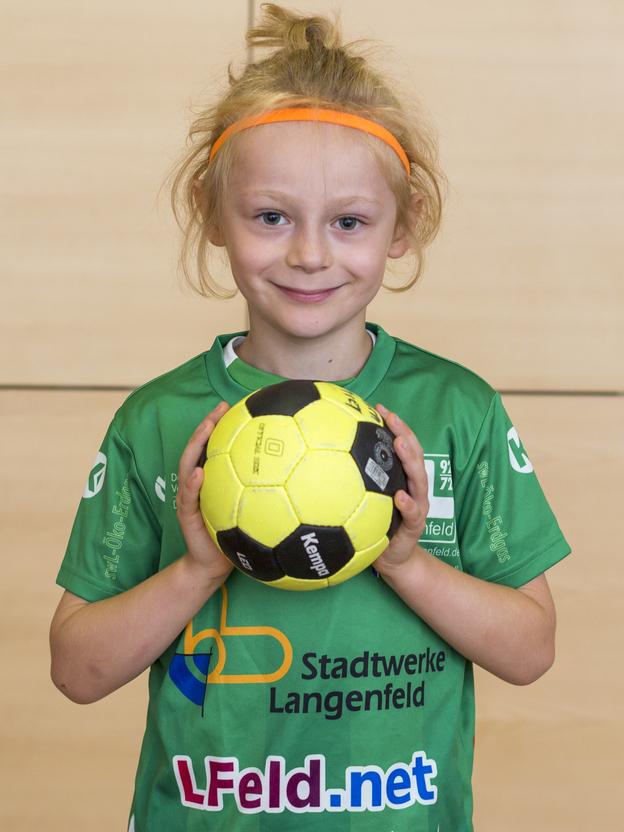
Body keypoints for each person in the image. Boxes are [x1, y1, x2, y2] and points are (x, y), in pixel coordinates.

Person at [49, 4, 572, 830]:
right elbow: (77, 671)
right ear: (211, 211)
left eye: (349, 222)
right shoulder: (158, 421)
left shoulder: (458, 411)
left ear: (404, 225)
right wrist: (195, 570)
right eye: (272, 216)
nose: (309, 254)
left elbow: (531, 651)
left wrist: (408, 564)